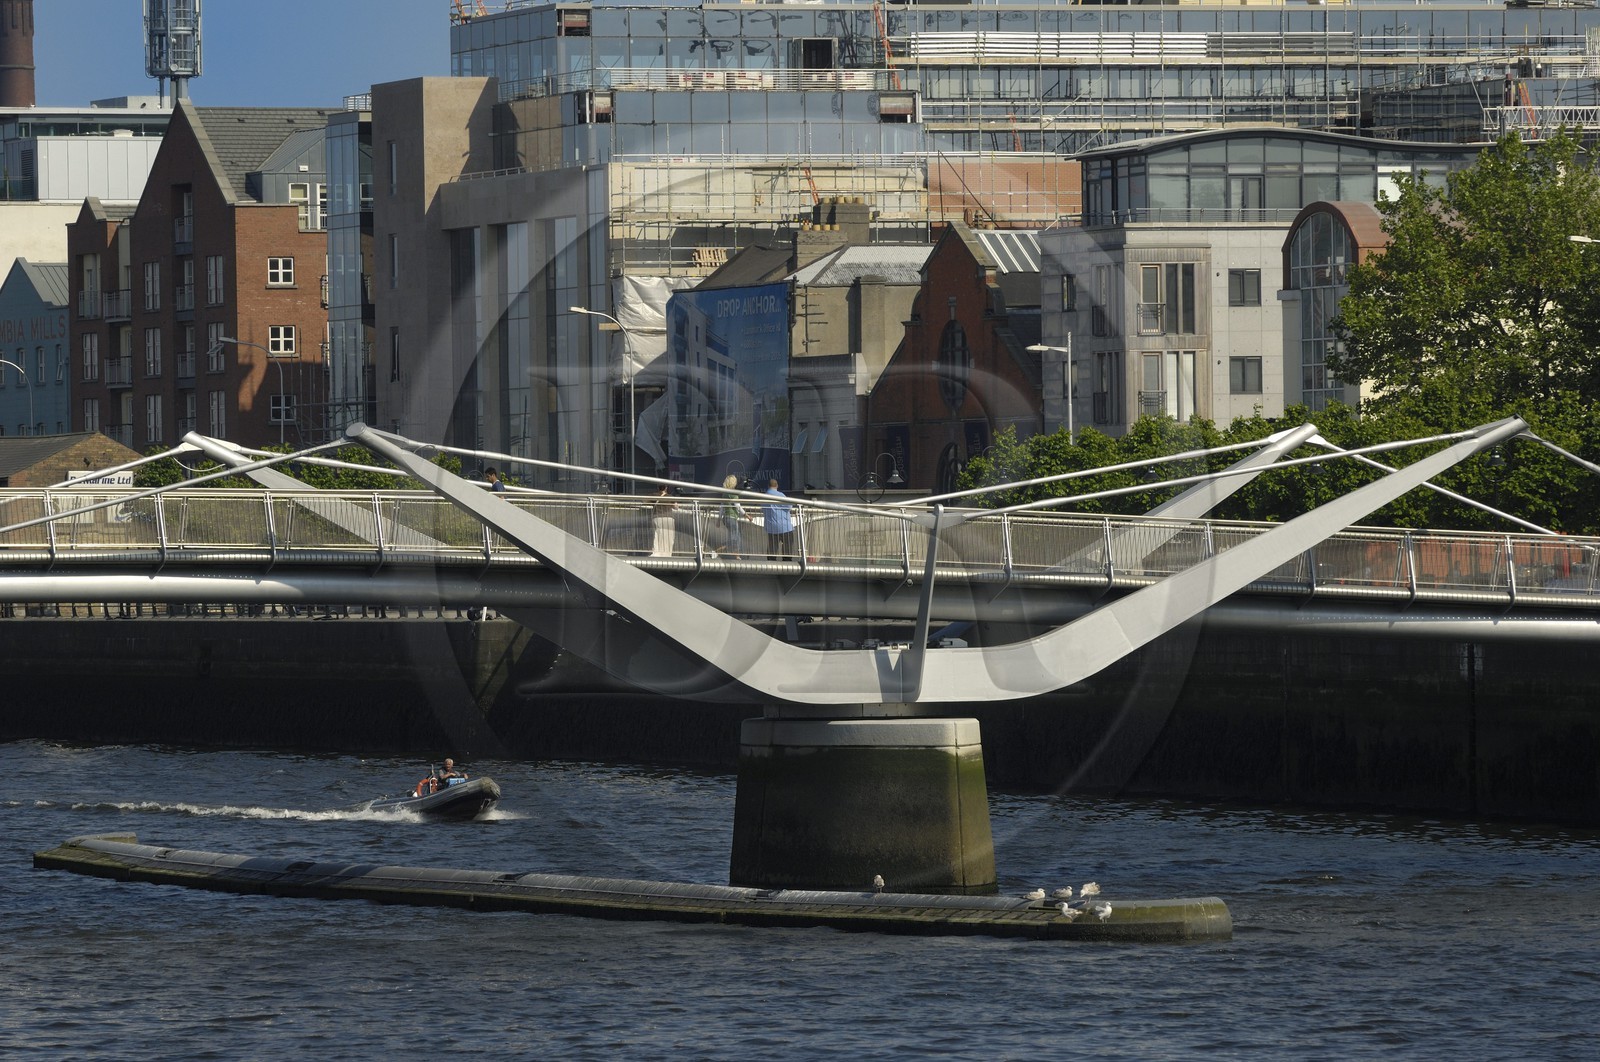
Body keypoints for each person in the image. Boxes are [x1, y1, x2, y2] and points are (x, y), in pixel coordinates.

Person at [763, 479, 795, 560]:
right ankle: (786, 565)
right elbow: (789, 506)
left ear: (768, 486)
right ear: (777, 486)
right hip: (784, 526)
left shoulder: (764, 496)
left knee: (772, 548)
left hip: (771, 527)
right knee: (788, 546)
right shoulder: (780, 495)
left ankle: (771, 566)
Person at [719, 474, 748, 557]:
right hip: (732, 518)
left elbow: (721, 507)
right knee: (736, 537)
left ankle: (723, 551)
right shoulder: (733, 494)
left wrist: (718, 519)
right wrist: (746, 515)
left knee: (733, 536)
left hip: (726, 518)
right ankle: (734, 554)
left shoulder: (724, 494)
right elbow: (738, 506)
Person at [650, 485, 677, 557]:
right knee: (669, 536)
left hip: (657, 517)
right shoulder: (670, 496)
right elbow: (676, 507)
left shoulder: (654, 495)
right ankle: (667, 554)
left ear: (658, 488)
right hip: (668, 518)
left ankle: (656, 553)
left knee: (657, 535)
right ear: (666, 488)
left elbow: (646, 502)